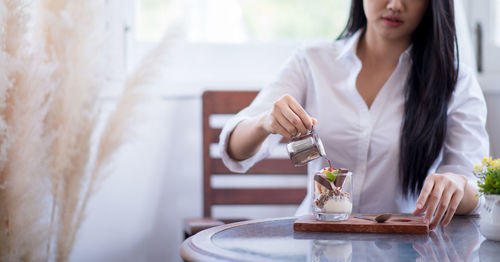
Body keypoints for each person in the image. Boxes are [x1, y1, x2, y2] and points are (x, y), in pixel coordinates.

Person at [219, 0, 489, 230]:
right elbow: (235, 149)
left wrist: (457, 183)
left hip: (406, 244)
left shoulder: (456, 81)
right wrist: (265, 123)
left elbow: (476, 188)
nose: (395, 5)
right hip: (316, 239)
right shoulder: (312, 61)